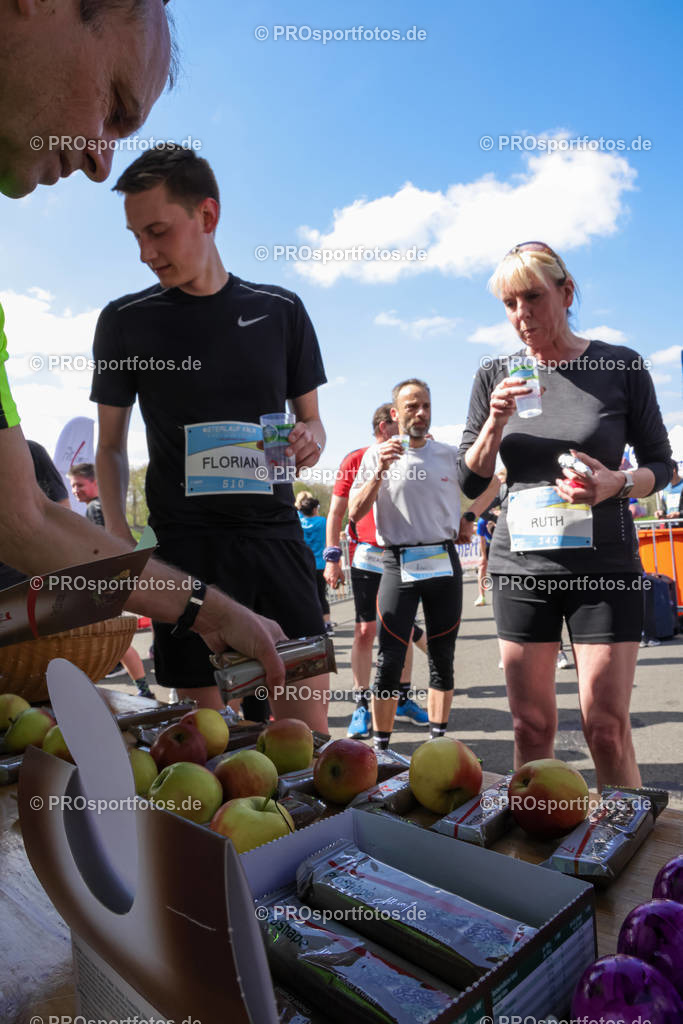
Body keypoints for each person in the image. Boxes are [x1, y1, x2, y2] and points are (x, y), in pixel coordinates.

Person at [0, 1, 287, 691]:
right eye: (117, 105)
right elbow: (33, 509)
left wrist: (205, 609)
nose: (102, 159)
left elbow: (21, 515)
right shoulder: (127, 322)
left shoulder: (279, 313)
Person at [90, 145, 328, 727]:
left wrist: (310, 439)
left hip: (275, 542)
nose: (146, 253)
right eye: (135, 237)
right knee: (207, 749)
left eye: (158, 232)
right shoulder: (125, 320)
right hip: (185, 558)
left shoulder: (280, 309)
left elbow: (313, 421)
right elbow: (111, 446)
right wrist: (121, 538)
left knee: (307, 741)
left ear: (208, 216)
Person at [458, 240, 675, 790]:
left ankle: (626, 850)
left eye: (532, 297)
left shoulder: (619, 366)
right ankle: (537, 854)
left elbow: (662, 466)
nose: (521, 315)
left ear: (566, 291)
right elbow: (471, 481)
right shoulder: (494, 375)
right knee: (530, 726)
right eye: (509, 303)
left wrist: (617, 483)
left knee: (605, 727)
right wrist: (494, 424)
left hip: (604, 567)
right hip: (521, 567)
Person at [349, 379, 475, 748]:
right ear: (395, 413)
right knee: (389, 659)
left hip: (442, 560)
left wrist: (470, 518)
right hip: (397, 562)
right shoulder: (377, 455)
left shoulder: (449, 454)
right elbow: (355, 515)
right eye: (411, 407)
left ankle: (438, 745)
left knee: (441, 657)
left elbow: (490, 484)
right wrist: (379, 472)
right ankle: (381, 749)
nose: (420, 413)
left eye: (426, 406)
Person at [324, 403, 429, 740]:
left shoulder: (414, 459)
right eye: (404, 424)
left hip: (405, 555)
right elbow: (336, 512)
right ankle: (360, 705)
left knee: (402, 630)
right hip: (367, 556)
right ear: (385, 427)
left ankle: (402, 698)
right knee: (365, 630)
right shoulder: (355, 459)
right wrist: (332, 557)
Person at [67, 463, 155, 698]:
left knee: (116, 640)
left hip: (105, 585)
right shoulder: (101, 507)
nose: (75, 490)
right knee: (115, 640)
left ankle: (144, 691)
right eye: (73, 485)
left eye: (79, 485)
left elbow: (102, 549)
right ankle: (143, 690)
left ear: (95, 482)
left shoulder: (96, 508)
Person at [295, 491, 332, 633]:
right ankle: (327, 623)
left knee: (307, 595)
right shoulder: (323, 521)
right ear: (315, 509)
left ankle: (310, 623)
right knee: (322, 595)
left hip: (304, 564)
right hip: (321, 564)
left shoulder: (299, 522)